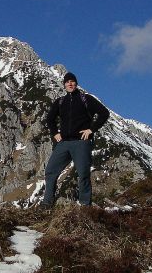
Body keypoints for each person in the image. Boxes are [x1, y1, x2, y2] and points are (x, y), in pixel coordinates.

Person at [41, 72, 110, 207]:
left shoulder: (86, 99)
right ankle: (46, 204)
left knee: (83, 173)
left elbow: (104, 113)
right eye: (67, 82)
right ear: (64, 85)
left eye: (72, 81)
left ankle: (85, 206)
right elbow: (50, 119)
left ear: (76, 84)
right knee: (50, 171)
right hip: (64, 143)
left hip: (81, 143)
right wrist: (55, 133)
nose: (70, 84)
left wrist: (92, 129)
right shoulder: (60, 101)